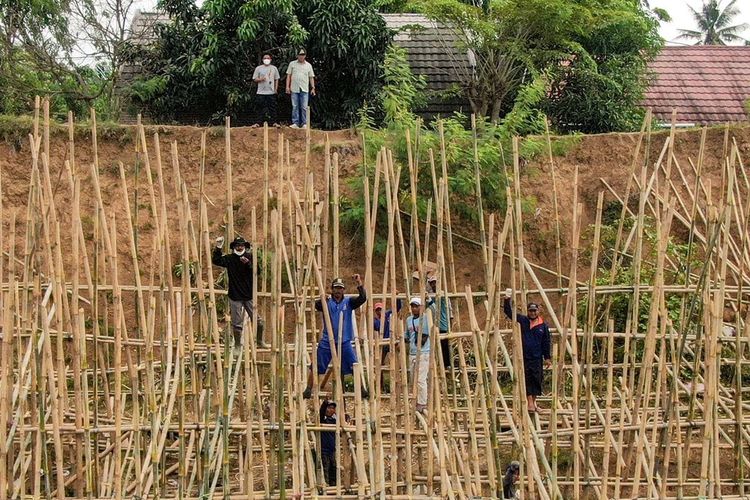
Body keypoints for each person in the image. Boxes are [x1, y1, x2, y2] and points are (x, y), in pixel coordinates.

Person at [303, 276, 368, 399]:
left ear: (343, 290)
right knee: (316, 365)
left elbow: (363, 298)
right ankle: (308, 389)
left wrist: (359, 284)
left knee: (354, 364)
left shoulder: (349, 302)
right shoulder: (327, 302)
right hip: (327, 340)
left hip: (344, 341)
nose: (338, 291)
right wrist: (322, 298)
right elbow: (317, 305)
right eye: (336, 288)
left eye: (340, 288)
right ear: (332, 289)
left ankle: (361, 388)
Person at [212, 236, 266, 348]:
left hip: (248, 295)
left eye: (241, 245)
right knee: (237, 323)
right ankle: (237, 345)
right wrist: (218, 247)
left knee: (258, 321)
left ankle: (260, 342)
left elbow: (258, 271)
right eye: (237, 245)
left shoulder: (250, 257)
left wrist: (248, 264)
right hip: (235, 295)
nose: (239, 247)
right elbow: (217, 260)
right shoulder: (230, 259)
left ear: (244, 247)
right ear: (234, 247)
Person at [503, 289, 551, 412]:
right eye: (531, 311)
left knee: (537, 379)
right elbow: (509, 312)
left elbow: (546, 342)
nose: (533, 313)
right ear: (528, 311)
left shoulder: (542, 325)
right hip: (524, 356)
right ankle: (529, 402)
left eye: (534, 311)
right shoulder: (523, 321)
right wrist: (507, 298)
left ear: (538, 311)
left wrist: (547, 358)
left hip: (537, 357)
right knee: (527, 379)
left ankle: (534, 403)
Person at [406, 297, 431, 413]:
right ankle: (416, 400)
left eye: (416, 306)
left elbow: (426, 335)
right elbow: (407, 335)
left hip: (423, 353)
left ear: (421, 307)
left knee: (421, 379)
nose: (414, 308)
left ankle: (422, 402)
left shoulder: (425, 319)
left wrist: (419, 341)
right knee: (413, 380)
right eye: (412, 306)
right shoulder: (408, 320)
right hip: (412, 353)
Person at [426, 274, 453, 369]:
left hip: (443, 324)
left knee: (444, 345)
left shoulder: (442, 294)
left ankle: (447, 365)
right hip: (433, 325)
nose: (433, 285)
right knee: (434, 346)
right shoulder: (430, 295)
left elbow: (447, 310)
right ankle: (437, 364)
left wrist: (451, 323)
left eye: (435, 283)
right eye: (432, 283)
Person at [285, 49, 316, 129]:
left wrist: (313, 88)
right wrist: (287, 87)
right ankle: (295, 122)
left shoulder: (308, 65)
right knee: (295, 106)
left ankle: (304, 123)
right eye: (300, 54)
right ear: (297, 55)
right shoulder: (292, 64)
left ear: (305, 55)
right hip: (294, 88)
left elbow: (311, 77)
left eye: (303, 55)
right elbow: (288, 76)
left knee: (304, 106)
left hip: (304, 89)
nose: (301, 56)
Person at [252, 53, 280, 126]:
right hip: (261, 92)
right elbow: (254, 79)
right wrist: (260, 79)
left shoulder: (274, 68)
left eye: (268, 58)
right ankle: (258, 122)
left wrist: (276, 89)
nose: (266, 59)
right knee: (260, 108)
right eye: (265, 58)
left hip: (271, 92)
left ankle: (274, 122)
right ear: (262, 60)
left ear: (270, 59)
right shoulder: (258, 68)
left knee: (272, 108)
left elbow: (276, 79)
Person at [374, 298, 402, 364]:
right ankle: (379, 373)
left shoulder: (388, 314)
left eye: (380, 309)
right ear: (375, 311)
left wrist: (397, 297)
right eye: (377, 310)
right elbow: (377, 328)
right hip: (383, 342)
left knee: (395, 361)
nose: (379, 311)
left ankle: (398, 372)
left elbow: (397, 307)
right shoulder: (376, 321)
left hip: (392, 340)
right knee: (379, 361)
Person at [319, 400, 337, 486]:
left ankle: (333, 484)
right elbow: (321, 412)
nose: (331, 410)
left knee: (333, 467)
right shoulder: (322, 420)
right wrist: (325, 403)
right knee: (325, 467)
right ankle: (326, 485)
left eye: (333, 408)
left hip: (332, 449)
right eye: (329, 408)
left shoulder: (334, 420)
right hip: (324, 449)